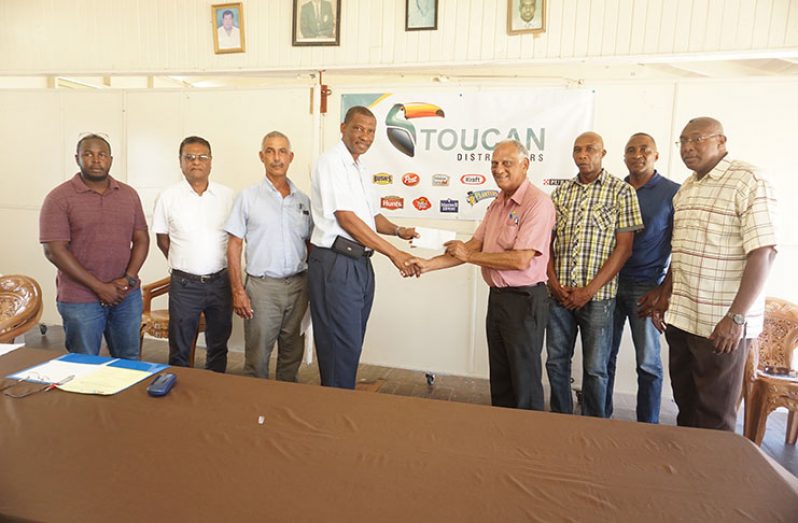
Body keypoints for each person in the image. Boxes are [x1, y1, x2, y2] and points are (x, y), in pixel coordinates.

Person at [640, 117, 778, 432]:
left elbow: (764, 251)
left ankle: (715, 477)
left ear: (721, 141)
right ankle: (690, 473)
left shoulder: (748, 180)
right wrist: (665, 294)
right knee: (687, 407)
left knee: (714, 415)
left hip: (721, 325)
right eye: (683, 141)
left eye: (697, 139)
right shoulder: (687, 188)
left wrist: (737, 318)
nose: (688, 148)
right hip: (684, 317)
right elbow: (682, 250)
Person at [408, 140, 555, 410]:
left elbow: (521, 259)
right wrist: (428, 264)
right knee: (500, 376)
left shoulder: (538, 204)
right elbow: (472, 246)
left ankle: (528, 442)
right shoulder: (498, 202)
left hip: (524, 301)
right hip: (498, 298)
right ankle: (501, 433)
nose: (498, 169)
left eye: (507, 163)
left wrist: (469, 256)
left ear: (525, 165)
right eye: (494, 163)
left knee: (524, 378)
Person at [308, 106, 419, 389]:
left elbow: (372, 216)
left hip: (359, 264)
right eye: (358, 128)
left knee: (351, 342)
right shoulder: (331, 162)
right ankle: (335, 412)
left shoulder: (360, 166)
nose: (365, 136)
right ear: (343, 127)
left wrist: (398, 231)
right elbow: (346, 219)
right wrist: (394, 253)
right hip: (335, 263)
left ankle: (342, 404)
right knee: (339, 344)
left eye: (370, 131)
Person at [546, 131, 643, 417]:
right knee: (555, 362)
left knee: (596, 369)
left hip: (598, 298)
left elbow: (624, 249)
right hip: (559, 296)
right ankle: (560, 421)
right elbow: (546, 243)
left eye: (590, 149)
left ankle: (594, 428)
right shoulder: (561, 193)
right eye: (577, 150)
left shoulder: (621, 191)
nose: (583, 155)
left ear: (603, 153)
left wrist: (588, 290)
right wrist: (553, 283)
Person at [39, 134, 149, 359]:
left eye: (102, 155)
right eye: (88, 154)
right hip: (80, 299)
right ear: (77, 158)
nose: (96, 160)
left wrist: (128, 278)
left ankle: (125, 396)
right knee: (83, 363)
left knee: (129, 360)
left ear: (110, 159)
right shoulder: (59, 198)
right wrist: (100, 287)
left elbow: (141, 239)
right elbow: (54, 250)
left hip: (126, 296)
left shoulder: (128, 195)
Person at [225, 132, 312, 382]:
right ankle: (256, 412)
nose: (277, 157)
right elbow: (234, 245)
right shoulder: (248, 197)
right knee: (257, 357)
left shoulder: (303, 201)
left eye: (282, 151)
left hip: (298, 287)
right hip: (262, 288)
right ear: (261, 156)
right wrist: (238, 291)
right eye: (270, 151)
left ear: (291, 157)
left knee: (292, 354)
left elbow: (311, 245)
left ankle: (285, 408)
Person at [605, 133, 680, 423]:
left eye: (644, 149)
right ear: (623, 157)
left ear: (656, 155)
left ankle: (648, 426)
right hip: (608, 283)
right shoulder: (613, 189)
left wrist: (664, 289)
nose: (637, 154)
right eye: (631, 150)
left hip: (647, 287)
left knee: (648, 363)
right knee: (603, 359)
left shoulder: (674, 192)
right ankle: (601, 418)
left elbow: (680, 245)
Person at [152, 136, 234, 372]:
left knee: (218, 344)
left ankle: (214, 390)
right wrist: (185, 261)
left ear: (211, 162)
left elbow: (235, 239)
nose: (195, 162)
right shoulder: (168, 196)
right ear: (180, 162)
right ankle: (179, 395)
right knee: (180, 346)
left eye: (201, 157)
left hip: (220, 282)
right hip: (184, 285)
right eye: (189, 157)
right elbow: (162, 238)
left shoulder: (228, 196)